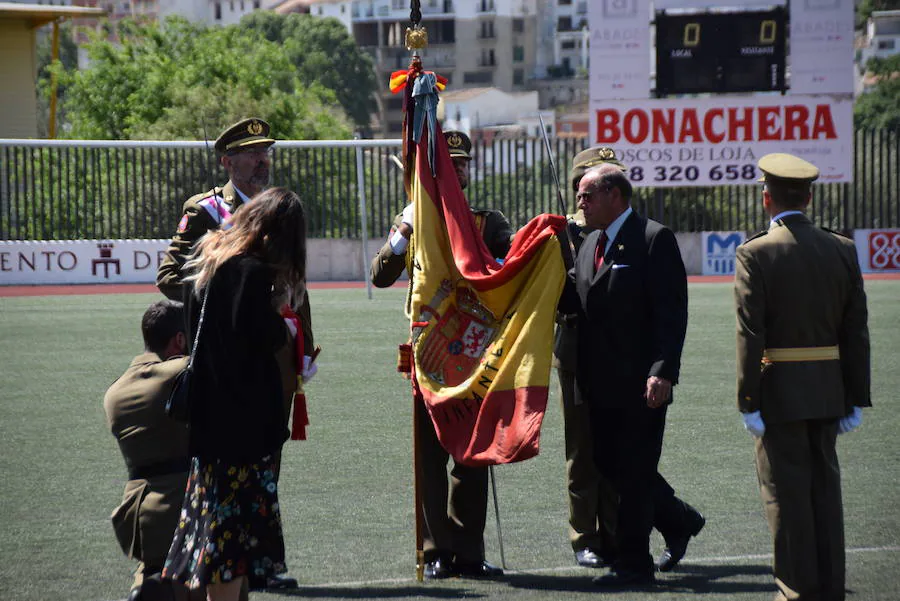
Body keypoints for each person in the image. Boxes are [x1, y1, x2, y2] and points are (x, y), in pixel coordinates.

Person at [156, 118, 309, 590]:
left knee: (267, 452)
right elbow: (170, 275)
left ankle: (257, 554)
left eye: (266, 151)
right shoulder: (206, 211)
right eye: (251, 153)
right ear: (227, 161)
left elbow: (292, 284)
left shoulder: (278, 208)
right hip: (227, 358)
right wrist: (225, 293)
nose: (262, 160)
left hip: (273, 353)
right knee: (229, 460)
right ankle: (227, 557)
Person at [370, 130, 512, 579]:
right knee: (430, 461)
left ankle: (469, 552)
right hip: (429, 355)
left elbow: (512, 267)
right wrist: (405, 229)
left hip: (475, 354)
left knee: (472, 457)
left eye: (462, 164)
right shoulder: (412, 221)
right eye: (448, 166)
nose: (459, 172)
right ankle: (435, 552)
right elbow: (379, 274)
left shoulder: (488, 224)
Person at [559, 165, 704, 586]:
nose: (580, 203)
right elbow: (574, 303)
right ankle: (679, 520)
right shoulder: (586, 245)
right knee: (608, 462)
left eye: (587, 195)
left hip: (641, 383)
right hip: (596, 382)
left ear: (615, 195)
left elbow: (671, 312)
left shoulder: (653, 238)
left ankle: (633, 565)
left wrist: (663, 371)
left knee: (636, 468)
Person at [734, 153, 871, 601]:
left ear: (765, 198)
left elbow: (751, 334)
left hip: (779, 395)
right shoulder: (842, 249)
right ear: (809, 197)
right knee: (825, 493)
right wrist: (855, 396)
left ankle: (795, 589)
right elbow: (855, 329)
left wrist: (748, 401)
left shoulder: (755, 252)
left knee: (785, 495)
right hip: (829, 391)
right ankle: (829, 586)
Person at [104, 300, 212, 601]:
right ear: (179, 340)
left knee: (153, 576)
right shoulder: (178, 372)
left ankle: (149, 586)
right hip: (181, 509)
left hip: (137, 515)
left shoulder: (115, 391)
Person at [554, 147, 626, 569]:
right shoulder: (562, 233)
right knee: (582, 449)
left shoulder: (626, 230)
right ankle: (585, 536)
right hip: (578, 350)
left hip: (617, 351)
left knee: (616, 446)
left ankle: (616, 531)